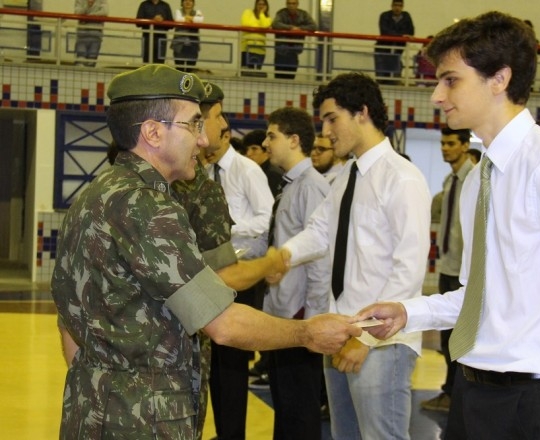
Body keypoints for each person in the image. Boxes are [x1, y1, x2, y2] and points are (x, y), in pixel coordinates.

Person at [51, 64, 361, 438]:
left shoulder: (92, 196)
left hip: (90, 410)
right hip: (143, 421)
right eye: (194, 124)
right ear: (152, 132)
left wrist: (103, 385)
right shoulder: (147, 206)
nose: (203, 140)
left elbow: (69, 320)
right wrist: (308, 334)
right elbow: (223, 324)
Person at [357, 12, 540, 440]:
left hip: (537, 404)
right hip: (474, 391)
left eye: (450, 80)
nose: (437, 96)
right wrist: (411, 312)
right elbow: (478, 297)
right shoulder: (480, 180)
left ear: (499, 79)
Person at [282, 72, 431, 439]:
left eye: (332, 118)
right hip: (341, 329)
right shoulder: (349, 174)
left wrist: (365, 339)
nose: (326, 131)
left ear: (362, 112)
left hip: (381, 343)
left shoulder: (402, 178)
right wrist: (279, 258)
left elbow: (408, 270)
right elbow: (319, 230)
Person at [197, 99, 275, 440]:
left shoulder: (247, 170)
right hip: (210, 275)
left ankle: (234, 434)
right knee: (210, 364)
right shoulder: (201, 171)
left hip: (240, 272)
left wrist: (226, 232)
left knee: (231, 365)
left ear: (225, 134)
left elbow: (264, 218)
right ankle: (223, 430)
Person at [261, 106, 330, 440]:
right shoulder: (290, 185)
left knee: (300, 409)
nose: (266, 142)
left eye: (272, 135)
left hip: (299, 314)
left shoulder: (312, 187)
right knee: (285, 406)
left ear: (294, 139)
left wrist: (314, 320)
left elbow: (320, 257)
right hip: (281, 309)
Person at [420, 128, 473, 413]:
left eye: (451, 143)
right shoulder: (450, 180)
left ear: (465, 146)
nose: (444, 148)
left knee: (460, 335)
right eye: (442, 143)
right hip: (448, 264)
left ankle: (457, 394)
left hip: (464, 269)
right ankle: (449, 391)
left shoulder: (474, 179)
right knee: (446, 335)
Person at [272, 0, 317, 80]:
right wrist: (291, 28)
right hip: (281, 50)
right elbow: (275, 24)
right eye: (289, 3)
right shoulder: (281, 13)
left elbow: (313, 26)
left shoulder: (303, 14)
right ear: (286, 4)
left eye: (293, 3)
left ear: (297, 4)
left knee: (291, 77)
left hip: (294, 50)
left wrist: (300, 29)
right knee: (279, 77)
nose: (291, 5)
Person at [375, 0, 415, 85]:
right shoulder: (384, 15)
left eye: (400, 6)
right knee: (382, 74)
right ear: (391, 6)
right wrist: (401, 36)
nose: (397, 8)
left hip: (397, 49)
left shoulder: (406, 16)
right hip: (383, 49)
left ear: (402, 7)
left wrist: (400, 36)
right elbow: (385, 32)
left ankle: (393, 83)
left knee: (395, 70)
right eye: (395, 5)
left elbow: (410, 32)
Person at [244, 129, 284, 196]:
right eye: (247, 149)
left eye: (254, 149)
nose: (248, 153)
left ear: (266, 151)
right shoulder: (251, 171)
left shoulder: (273, 174)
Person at [240, 0, 272, 75]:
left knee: (257, 72)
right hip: (247, 47)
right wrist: (259, 27)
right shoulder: (248, 12)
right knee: (246, 72)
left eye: (263, 4)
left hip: (260, 49)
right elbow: (245, 23)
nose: (261, 6)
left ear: (266, 6)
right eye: (259, 4)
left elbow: (264, 25)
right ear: (256, 5)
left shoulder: (267, 18)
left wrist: (261, 14)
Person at [73, 0, 108, 67]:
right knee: (80, 61)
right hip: (82, 35)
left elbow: (105, 12)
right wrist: (88, 6)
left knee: (91, 62)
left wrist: (89, 16)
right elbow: (77, 12)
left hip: (96, 35)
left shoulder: (102, 1)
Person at [172, 0, 203, 72]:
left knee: (190, 69)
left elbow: (200, 20)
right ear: (182, 2)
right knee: (179, 69)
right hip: (179, 44)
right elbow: (177, 19)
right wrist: (192, 19)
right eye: (185, 0)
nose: (188, 2)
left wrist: (186, 18)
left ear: (193, 3)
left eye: (190, 1)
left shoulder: (198, 12)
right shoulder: (178, 11)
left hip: (193, 44)